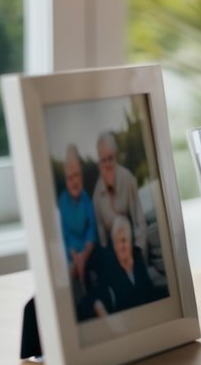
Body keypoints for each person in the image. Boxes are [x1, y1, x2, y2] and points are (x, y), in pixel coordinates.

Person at [91, 131, 148, 259]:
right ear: (99, 163)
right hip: (113, 254)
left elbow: (139, 221)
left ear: (116, 157)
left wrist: (138, 252)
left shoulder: (128, 179)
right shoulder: (97, 195)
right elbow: (102, 237)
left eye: (110, 158)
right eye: (103, 160)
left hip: (133, 246)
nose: (107, 164)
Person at [92, 215, 164, 316]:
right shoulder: (110, 267)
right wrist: (99, 306)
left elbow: (149, 291)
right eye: (116, 242)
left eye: (123, 240)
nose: (121, 246)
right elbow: (100, 297)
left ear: (130, 241)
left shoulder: (137, 258)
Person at [58, 144, 97, 298]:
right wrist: (75, 258)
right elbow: (64, 235)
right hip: (70, 254)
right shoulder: (62, 202)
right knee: (68, 276)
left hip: (87, 252)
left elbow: (91, 232)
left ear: (81, 175)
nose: (74, 181)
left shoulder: (87, 200)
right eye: (69, 178)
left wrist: (83, 257)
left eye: (76, 175)